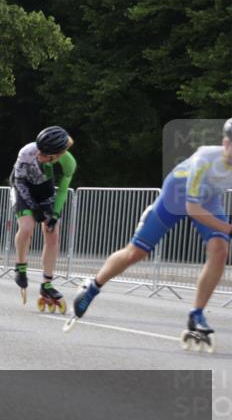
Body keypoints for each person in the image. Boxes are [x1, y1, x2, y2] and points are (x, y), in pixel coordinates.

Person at [68, 118, 232, 351]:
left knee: (219, 250)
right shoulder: (206, 157)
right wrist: (229, 228)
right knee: (136, 253)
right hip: (175, 196)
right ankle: (92, 287)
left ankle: (196, 314)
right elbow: (192, 209)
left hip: (209, 200)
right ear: (226, 143)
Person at [10, 126, 76, 312]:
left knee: (52, 232)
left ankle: (47, 284)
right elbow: (19, 181)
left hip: (45, 190)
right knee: (27, 227)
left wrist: (55, 214)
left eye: (46, 155)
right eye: (40, 150)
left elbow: (62, 190)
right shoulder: (27, 152)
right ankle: (20, 266)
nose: (40, 155)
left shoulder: (68, 162)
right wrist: (33, 207)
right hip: (23, 188)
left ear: (58, 154)